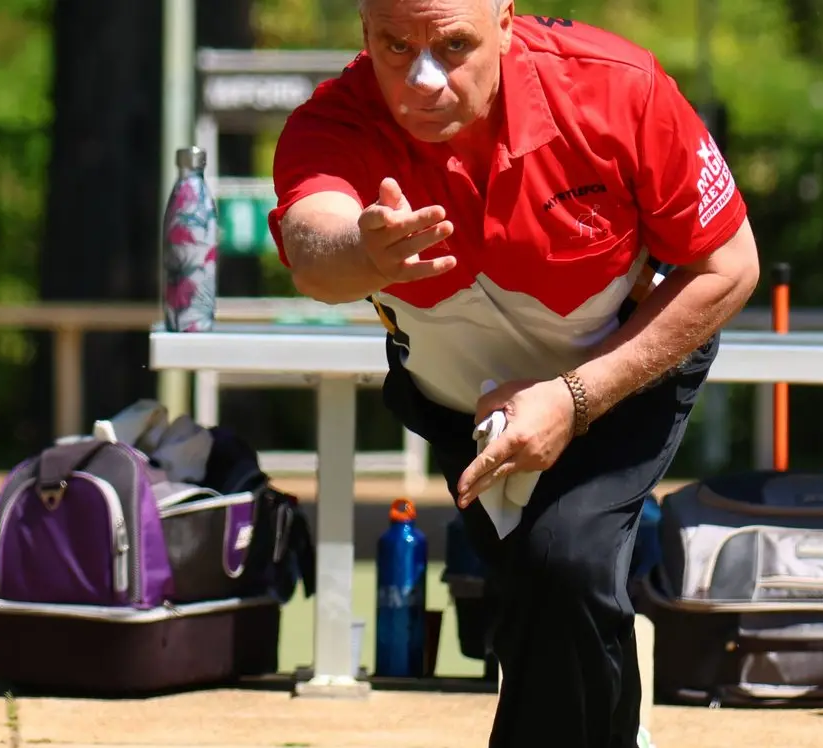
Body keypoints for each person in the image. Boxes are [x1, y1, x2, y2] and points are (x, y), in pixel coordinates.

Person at [266, 1, 760, 745]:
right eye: (395, 46)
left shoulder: (617, 89)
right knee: (544, 588)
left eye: (454, 44)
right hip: (460, 403)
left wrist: (575, 396)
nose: (425, 78)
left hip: (623, 369)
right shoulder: (336, 121)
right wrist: (364, 254)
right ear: (364, 31)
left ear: (505, 19)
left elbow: (731, 266)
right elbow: (311, 246)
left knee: (564, 560)